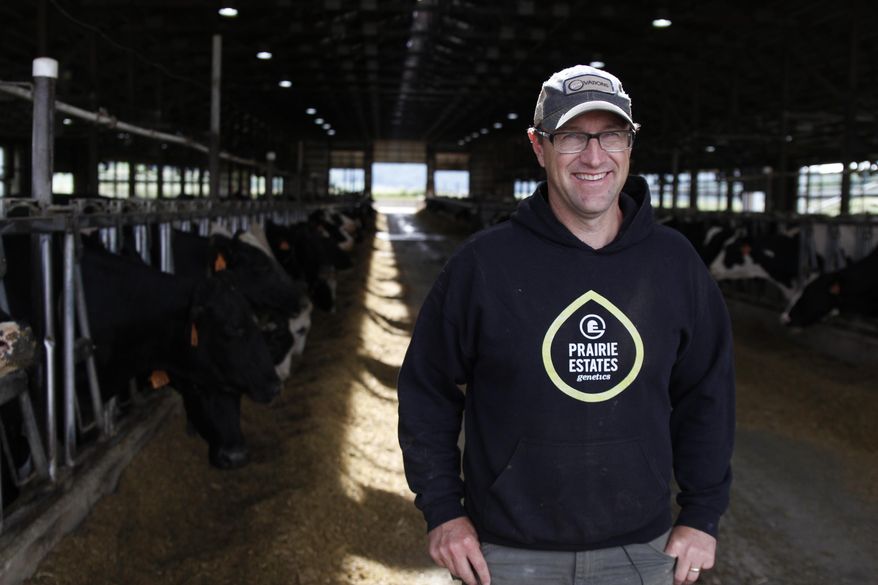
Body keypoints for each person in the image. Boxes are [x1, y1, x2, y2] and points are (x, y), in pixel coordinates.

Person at [397, 64, 735, 585]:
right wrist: (443, 509)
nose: (594, 156)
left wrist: (702, 514)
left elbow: (707, 393)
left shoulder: (675, 263)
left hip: (642, 552)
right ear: (539, 146)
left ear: (630, 145)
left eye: (611, 136)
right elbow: (426, 388)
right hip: (506, 555)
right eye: (573, 136)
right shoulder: (483, 264)